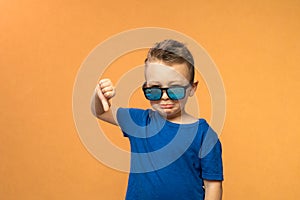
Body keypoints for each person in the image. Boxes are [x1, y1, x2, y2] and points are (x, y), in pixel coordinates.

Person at [91, 39, 223, 200]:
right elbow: (100, 112)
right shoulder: (139, 121)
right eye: (155, 90)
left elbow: (213, 185)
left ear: (191, 89)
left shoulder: (204, 134)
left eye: (175, 90)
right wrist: (99, 95)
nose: (165, 97)